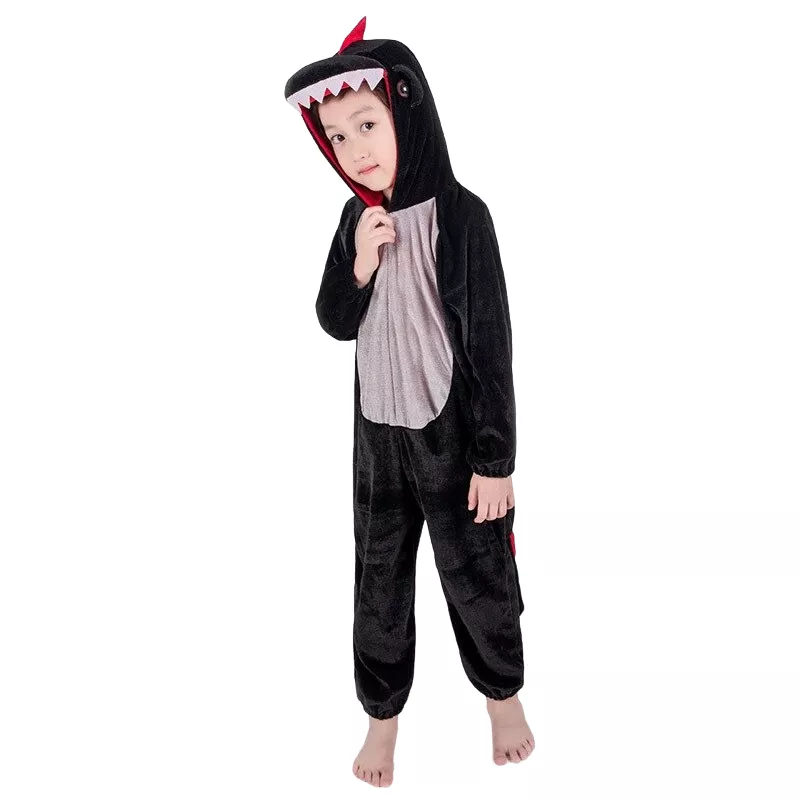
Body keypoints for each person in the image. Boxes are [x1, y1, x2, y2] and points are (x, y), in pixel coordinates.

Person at [284, 16, 534, 787]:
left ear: (407, 112)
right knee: (378, 583)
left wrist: (495, 460)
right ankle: (381, 719)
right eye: (338, 137)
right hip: (378, 442)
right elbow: (333, 321)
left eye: (368, 124)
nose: (355, 149)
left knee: (478, 575)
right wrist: (358, 266)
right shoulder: (355, 220)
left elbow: (489, 344)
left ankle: (503, 699)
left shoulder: (463, 216)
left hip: (453, 437)